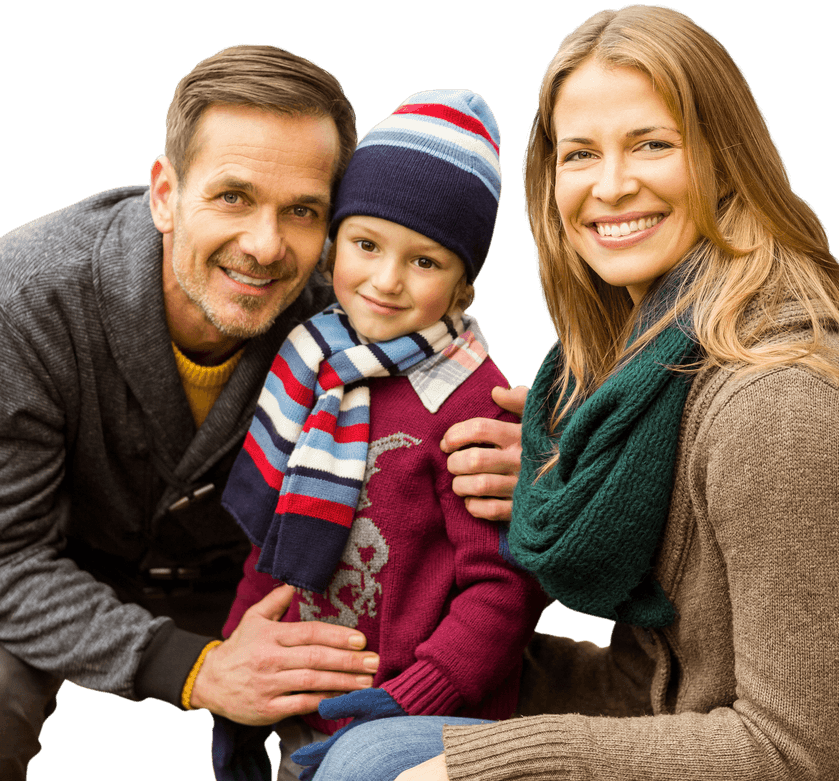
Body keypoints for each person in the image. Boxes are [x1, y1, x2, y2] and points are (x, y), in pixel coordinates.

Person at [302, 6, 839, 780]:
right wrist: (417, 654)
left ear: (725, 158)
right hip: (715, 737)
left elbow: (790, 753)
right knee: (364, 742)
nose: (612, 186)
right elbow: (663, 682)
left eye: (652, 145)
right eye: (580, 154)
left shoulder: (778, 405)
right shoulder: (645, 379)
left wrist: (485, 763)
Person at [0, 46, 524, 781]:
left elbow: (444, 367)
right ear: (165, 192)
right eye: (233, 196)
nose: (266, 246)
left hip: (254, 569)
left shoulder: (350, 319)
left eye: (302, 211)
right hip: (49, 565)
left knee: (345, 669)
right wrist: (199, 668)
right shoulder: (24, 295)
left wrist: (537, 460)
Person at [209, 88, 547, 781]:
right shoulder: (313, 364)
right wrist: (232, 655)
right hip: (310, 706)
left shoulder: (473, 406)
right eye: (367, 244)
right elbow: (274, 544)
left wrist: (410, 697)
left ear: (463, 285)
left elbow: (503, 590)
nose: (387, 280)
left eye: (425, 261)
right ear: (335, 246)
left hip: (420, 726)